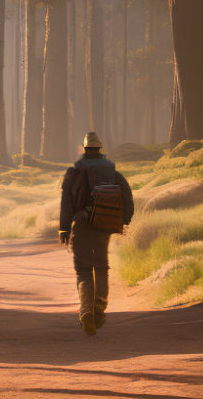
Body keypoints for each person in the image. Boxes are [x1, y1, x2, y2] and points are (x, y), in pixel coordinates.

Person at [59, 132, 135, 335]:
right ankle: (100, 307)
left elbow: (66, 203)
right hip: (104, 224)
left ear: (85, 150)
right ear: (100, 149)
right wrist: (124, 220)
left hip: (81, 226)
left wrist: (64, 228)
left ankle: (86, 313)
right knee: (101, 267)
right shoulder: (112, 171)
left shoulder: (74, 172)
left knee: (84, 271)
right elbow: (127, 196)